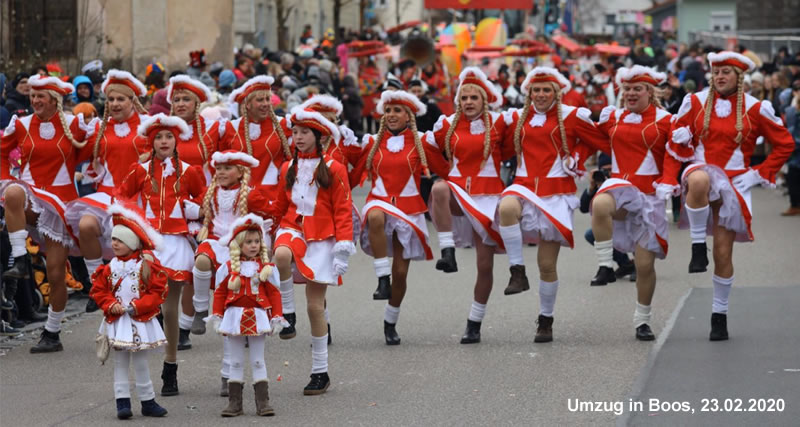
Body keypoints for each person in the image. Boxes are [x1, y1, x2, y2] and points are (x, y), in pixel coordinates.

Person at [659, 51, 794, 340]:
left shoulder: (756, 107)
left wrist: (757, 173)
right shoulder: (695, 102)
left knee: (722, 253)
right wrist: (668, 179)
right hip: (701, 172)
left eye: (726, 72)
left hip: (734, 183)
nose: (720, 76)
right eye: (716, 72)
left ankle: (719, 316)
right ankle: (697, 247)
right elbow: (674, 144)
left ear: (739, 76)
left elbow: (785, 143)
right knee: (699, 179)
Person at [498, 67, 609, 343]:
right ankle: (517, 271)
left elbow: (600, 140)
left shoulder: (572, 116)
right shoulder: (518, 118)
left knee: (546, 265)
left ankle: (545, 320)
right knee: (506, 208)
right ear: (529, 93)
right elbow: (500, 148)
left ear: (557, 93)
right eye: (536, 90)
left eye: (546, 90)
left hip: (556, 192)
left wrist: (577, 156)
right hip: (523, 186)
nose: (541, 94)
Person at [0, 75, 95, 353]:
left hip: (60, 202)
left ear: (55, 99)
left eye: (41, 96)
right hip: (30, 195)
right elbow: (2, 153)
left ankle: (52, 332)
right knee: (13, 193)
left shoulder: (73, 124)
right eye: (32, 96)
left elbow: (92, 150)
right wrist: (6, 178)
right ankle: (20, 257)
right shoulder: (21, 124)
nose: (35, 100)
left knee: (55, 272)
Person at [116, 113, 205, 395]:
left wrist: (192, 211)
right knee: (143, 304)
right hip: (149, 244)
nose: (164, 142)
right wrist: (136, 225)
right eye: (159, 138)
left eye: (169, 137)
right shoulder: (140, 170)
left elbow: (203, 201)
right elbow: (121, 198)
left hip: (176, 243)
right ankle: (138, 368)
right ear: (151, 142)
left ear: (176, 141)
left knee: (169, 308)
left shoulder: (189, 171)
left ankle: (170, 366)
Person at [269, 108, 354, 395]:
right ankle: (287, 314)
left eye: (305, 132)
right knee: (281, 255)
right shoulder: (287, 167)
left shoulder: (334, 168)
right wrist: (264, 229)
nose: (298, 137)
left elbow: (342, 210)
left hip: (322, 237)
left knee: (315, 307)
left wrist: (343, 247)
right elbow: (280, 205)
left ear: (319, 137)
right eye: (295, 132)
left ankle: (320, 371)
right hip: (291, 228)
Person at [426, 67, 511, 343]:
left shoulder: (499, 122)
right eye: (464, 98)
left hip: (488, 198)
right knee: (439, 187)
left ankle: (474, 322)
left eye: (474, 97)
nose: (469, 102)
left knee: (485, 266)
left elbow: (513, 147)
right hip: (458, 193)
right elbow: (428, 148)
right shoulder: (447, 125)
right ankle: (447, 251)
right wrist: (447, 172)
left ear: (484, 99)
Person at [350, 90, 443, 344]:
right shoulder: (372, 142)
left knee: (401, 273)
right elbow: (352, 177)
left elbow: (444, 168)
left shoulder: (421, 141)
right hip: (379, 201)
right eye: (388, 110)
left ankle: (390, 321)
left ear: (409, 116)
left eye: (397, 111)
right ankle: (382, 278)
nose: (391, 115)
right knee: (375, 217)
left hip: (409, 210)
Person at [591, 66, 672, 340]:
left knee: (645, 266)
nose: (631, 93)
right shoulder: (613, 117)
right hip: (621, 188)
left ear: (650, 92)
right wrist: (575, 159)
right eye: (627, 89)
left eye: (638, 88)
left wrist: (670, 181)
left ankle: (642, 320)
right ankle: (605, 266)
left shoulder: (666, 120)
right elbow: (590, 138)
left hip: (649, 196)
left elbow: (677, 154)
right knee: (600, 204)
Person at [64, 70, 149, 308]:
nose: (115, 104)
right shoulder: (100, 128)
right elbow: (77, 153)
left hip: (138, 197)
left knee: (133, 247)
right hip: (107, 194)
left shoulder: (147, 126)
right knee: (85, 225)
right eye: (111, 99)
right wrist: (73, 129)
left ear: (132, 101)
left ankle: (144, 297)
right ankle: (96, 284)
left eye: (121, 99)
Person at [89, 203, 169, 419]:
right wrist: (109, 304)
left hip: (139, 320)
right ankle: (122, 402)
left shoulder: (146, 266)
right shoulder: (109, 267)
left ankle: (148, 401)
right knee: (120, 362)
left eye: (120, 240)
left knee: (141, 362)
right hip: (118, 321)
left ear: (133, 243)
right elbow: (99, 290)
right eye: (113, 239)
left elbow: (158, 292)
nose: (114, 243)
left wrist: (139, 306)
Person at [166, 74, 224, 349]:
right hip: (167, 202)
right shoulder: (163, 129)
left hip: (202, 203)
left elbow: (223, 165)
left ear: (197, 103)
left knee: (192, 264)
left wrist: (207, 202)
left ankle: (186, 325)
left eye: (185, 99)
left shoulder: (212, 130)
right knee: (166, 266)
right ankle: (162, 319)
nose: (180, 104)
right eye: (176, 99)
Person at [210, 214, 284, 417]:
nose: (253, 246)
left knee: (258, 360)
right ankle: (235, 403)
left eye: (257, 241)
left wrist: (277, 316)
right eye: (249, 242)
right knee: (235, 361)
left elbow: (274, 294)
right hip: (234, 318)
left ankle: (263, 402)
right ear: (238, 244)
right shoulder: (228, 268)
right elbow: (220, 293)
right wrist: (217, 316)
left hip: (258, 316)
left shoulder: (266, 269)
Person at [222, 76, 291, 198]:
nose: (266, 104)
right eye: (260, 100)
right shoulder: (230, 127)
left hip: (273, 197)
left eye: (268, 99)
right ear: (247, 104)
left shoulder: (283, 125)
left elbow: (292, 160)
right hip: (237, 197)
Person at [579, 153, 636, 281]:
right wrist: (592, 187)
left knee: (637, 231)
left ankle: (639, 265)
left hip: (629, 223)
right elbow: (583, 208)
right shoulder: (600, 184)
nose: (609, 173)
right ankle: (626, 264)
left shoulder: (625, 182)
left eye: (611, 169)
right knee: (591, 234)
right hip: (611, 226)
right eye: (605, 170)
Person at [781, 80, 800, 216]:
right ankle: (795, 205)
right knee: (792, 178)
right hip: (794, 152)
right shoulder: (792, 110)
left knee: (793, 178)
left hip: (796, 150)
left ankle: (795, 205)